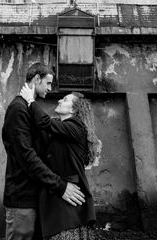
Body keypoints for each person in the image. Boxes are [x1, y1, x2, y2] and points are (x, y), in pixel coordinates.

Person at [2, 63, 86, 240]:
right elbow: (26, 156)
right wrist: (60, 185)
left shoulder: (31, 109)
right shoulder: (18, 108)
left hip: (37, 196)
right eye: (48, 83)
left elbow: (45, 132)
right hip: (21, 196)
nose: (50, 89)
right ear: (37, 79)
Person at [19, 85, 98, 240]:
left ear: (74, 110)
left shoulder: (76, 127)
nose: (60, 100)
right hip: (56, 193)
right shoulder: (59, 128)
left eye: (65, 99)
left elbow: (44, 122)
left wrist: (30, 99)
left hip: (69, 198)